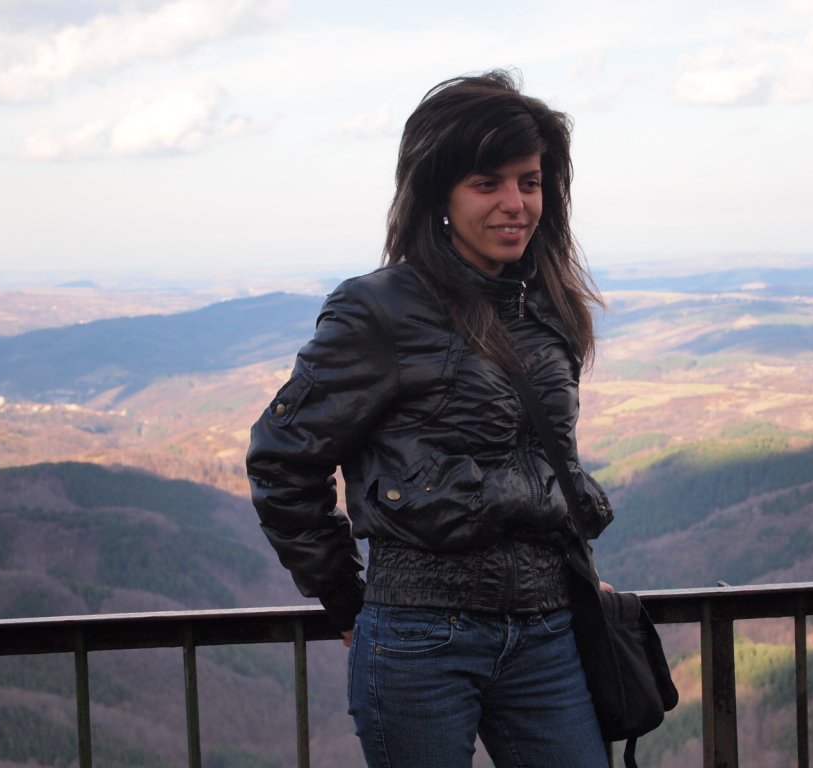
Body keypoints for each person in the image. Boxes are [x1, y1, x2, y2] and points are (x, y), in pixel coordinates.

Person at [247, 69, 614, 768]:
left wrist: (568, 575)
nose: (515, 204)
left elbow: (546, 464)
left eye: (530, 182)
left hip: (546, 634)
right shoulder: (378, 310)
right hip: (420, 640)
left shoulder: (549, 311)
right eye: (487, 183)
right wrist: (346, 599)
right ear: (440, 193)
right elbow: (282, 460)